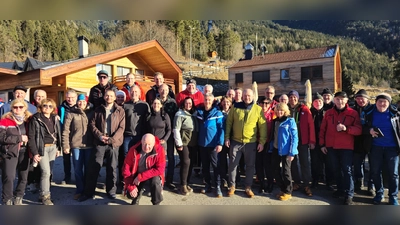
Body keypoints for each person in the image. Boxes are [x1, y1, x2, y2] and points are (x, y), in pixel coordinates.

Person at [79, 89, 125, 202]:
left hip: (113, 143)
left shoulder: (120, 110)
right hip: (100, 142)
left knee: (112, 167)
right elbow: (92, 124)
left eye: (111, 96)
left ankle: (111, 191)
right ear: (104, 97)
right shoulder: (98, 109)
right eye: (107, 95)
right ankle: (89, 192)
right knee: (94, 167)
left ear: (115, 98)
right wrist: (100, 136)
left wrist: (111, 139)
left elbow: (122, 128)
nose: (109, 97)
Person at [319, 91, 362, 205]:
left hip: (346, 147)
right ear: (334, 100)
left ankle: (349, 194)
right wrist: (322, 144)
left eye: (342, 99)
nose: (340, 101)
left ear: (347, 100)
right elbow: (323, 129)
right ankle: (340, 189)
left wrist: (346, 129)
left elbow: (358, 130)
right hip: (331, 146)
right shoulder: (328, 113)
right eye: (337, 99)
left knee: (347, 170)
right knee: (336, 169)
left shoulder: (353, 113)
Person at [225, 88, 267, 198]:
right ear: (242, 96)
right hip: (236, 141)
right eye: (245, 95)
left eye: (249, 95)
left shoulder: (258, 109)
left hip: (251, 142)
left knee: (250, 166)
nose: (247, 97)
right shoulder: (235, 107)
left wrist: (262, 142)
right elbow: (229, 123)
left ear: (253, 97)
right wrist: (227, 138)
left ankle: (248, 187)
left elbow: (262, 126)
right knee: (233, 165)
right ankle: (232, 186)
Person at [364, 93, 399, 205]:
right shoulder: (369, 112)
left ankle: (393, 196)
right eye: (380, 101)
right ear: (376, 102)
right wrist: (369, 130)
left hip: (392, 148)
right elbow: (362, 126)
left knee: (393, 173)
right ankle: (379, 193)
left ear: (389, 103)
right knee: (375, 172)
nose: (382, 104)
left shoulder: (396, 114)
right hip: (375, 147)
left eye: (385, 102)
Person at [28, 98, 62, 205]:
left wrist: (58, 148)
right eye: (45, 106)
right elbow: (31, 137)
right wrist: (35, 152)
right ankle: (45, 197)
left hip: (53, 147)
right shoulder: (36, 119)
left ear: (53, 108)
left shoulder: (54, 118)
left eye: (50, 106)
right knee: (46, 172)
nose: (47, 108)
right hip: (42, 148)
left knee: (49, 172)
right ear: (41, 107)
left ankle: (42, 193)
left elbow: (58, 134)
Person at [61, 94, 94, 200]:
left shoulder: (92, 113)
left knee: (89, 169)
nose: (81, 103)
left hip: (89, 145)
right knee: (78, 169)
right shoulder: (71, 113)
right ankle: (80, 189)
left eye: (84, 101)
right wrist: (66, 145)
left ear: (87, 102)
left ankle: (88, 190)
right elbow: (66, 130)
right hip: (76, 145)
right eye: (80, 101)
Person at [0, 99, 31, 205]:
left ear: (25, 108)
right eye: (15, 107)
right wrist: (19, 138)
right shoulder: (5, 121)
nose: (18, 109)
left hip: (25, 151)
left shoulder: (29, 120)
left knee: (23, 177)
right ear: (11, 108)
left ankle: (19, 196)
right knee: (9, 176)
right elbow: (1, 138)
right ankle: (7, 199)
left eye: (21, 107)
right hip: (10, 152)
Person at [119, 85, 151, 187]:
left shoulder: (145, 105)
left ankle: (137, 179)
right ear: (129, 93)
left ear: (139, 93)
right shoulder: (125, 105)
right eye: (132, 92)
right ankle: (126, 179)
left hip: (140, 136)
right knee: (126, 157)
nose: (134, 93)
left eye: (136, 92)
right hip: (127, 136)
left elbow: (148, 121)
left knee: (139, 158)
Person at [122, 133, 166, 205]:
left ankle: (156, 203)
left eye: (149, 144)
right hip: (137, 174)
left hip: (151, 175)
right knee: (130, 194)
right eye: (144, 144)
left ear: (154, 143)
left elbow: (160, 169)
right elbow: (126, 169)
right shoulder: (133, 150)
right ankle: (136, 198)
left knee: (155, 181)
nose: (146, 147)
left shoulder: (160, 150)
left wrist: (141, 177)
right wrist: (130, 186)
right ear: (141, 142)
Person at [287, 90, 315, 197]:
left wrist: (312, 141)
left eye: (294, 97)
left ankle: (306, 184)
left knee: (304, 163)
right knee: (292, 163)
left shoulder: (304, 109)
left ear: (298, 98)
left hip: (303, 140)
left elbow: (310, 126)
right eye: (291, 97)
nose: (292, 99)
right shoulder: (287, 109)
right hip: (290, 141)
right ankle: (297, 182)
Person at [197, 93, 224, 197]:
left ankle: (217, 186)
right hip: (202, 144)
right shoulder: (199, 113)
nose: (207, 102)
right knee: (205, 166)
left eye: (209, 100)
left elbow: (221, 129)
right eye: (206, 100)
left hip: (213, 145)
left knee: (216, 166)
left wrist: (220, 143)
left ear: (213, 101)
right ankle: (207, 184)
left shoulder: (217, 113)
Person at [270, 103, 299, 201]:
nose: (279, 112)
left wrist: (292, 152)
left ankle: (288, 191)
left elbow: (295, 138)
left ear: (285, 111)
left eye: (281, 110)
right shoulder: (275, 122)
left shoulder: (290, 121)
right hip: (275, 148)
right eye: (277, 110)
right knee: (275, 169)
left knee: (286, 171)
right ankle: (282, 189)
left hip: (286, 150)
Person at [173, 97, 198, 195]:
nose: (188, 105)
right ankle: (182, 185)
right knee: (186, 162)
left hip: (193, 142)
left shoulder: (194, 114)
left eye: (190, 103)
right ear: (183, 104)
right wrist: (178, 143)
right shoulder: (179, 114)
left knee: (191, 162)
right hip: (183, 142)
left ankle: (187, 182)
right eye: (186, 103)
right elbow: (176, 129)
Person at [352, 89, 374, 196]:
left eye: (362, 98)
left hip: (371, 141)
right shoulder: (353, 110)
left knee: (372, 165)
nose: (360, 100)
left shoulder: (373, 109)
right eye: (358, 98)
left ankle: (371, 185)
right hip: (357, 140)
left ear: (367, 99)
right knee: (357, 164)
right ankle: (359, 182)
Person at [310, 93, 333, 190]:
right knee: (315, 162)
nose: (318, 103)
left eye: (319, 101)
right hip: (314, 141)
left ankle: (329, 182)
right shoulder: (310, 112)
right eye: (315, 101)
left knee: (328, 162)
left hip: (326, 141)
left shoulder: (328, 112)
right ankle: (315, 180)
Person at [158, 84, 179, 190]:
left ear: (168, 91)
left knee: (170, 157)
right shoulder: (155, 101)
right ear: (159, 90)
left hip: (169, 134)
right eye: (162, 89)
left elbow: (176, 118)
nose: (164, 91)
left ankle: (169, 180)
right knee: (158, 157)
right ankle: (158, 180)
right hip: (158, 133)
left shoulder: (172, 102)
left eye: (165, 90)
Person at [27, 89, 47, 193]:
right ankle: (31, 183)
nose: (40, 98)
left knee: (42, 165)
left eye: (42, 96)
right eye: (38, 96)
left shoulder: (49, 107)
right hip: (33, 139)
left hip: (44, 141)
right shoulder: (30, 108)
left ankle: (41, 183)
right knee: (32, 163)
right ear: (34, 97)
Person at [58, 90, 78, 185]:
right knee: (66, 158)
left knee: (77, 158)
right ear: (65, 97)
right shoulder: (61, 108)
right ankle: (67, 177)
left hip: (76, 136)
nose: (70, 99)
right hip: (65, 135)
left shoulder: (79, 108)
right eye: (68, 97)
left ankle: (79, 177)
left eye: (72, 97)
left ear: (76, 98)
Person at [219, 96, 232, 190]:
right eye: (224, 102)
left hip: (233, 139)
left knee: (233, 160)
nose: (226, 104)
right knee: (222, 160)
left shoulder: (233, 112)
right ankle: (223, 179)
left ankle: (233, 179)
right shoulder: (219, 113)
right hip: (222, 139)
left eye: (228, 102)